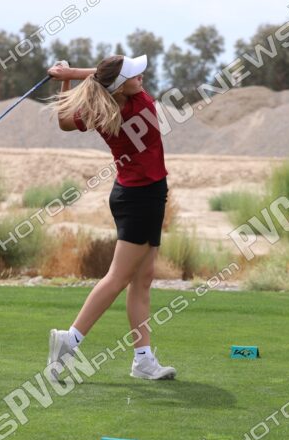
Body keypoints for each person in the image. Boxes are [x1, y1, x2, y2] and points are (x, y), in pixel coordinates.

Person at [43, 54, 176, 381]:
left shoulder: (104, 108)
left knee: (142, 280)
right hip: (143, 198)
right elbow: (103, 78)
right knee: (118, 278)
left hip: (133, 195)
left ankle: (143, 360)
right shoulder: (141, 104)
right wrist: (71, 72)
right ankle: (69, 340)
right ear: (120, 86)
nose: (141, 76)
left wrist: (66, 78)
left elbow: (63, 121)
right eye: (133, 74)